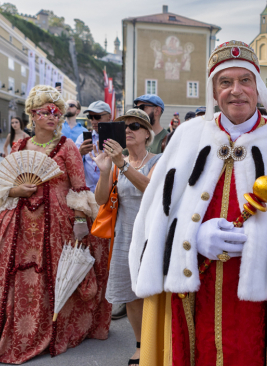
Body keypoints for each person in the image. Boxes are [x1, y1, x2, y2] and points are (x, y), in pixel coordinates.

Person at [129, 41, 267, 365]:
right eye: (225, 82)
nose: (236, 91)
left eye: (245, 80)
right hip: (195, 295)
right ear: (213, 90)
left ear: (258, 87)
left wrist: (262, 243)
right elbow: (155, 220)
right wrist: (193, 237)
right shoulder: (188, 137)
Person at [0, 85, 110, 363]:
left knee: (56, 273)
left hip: (58, 222)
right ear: (33, 114)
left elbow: (79, 187)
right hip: (20, 222)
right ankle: (16, 330)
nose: (52, 117)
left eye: (57, 112)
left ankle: (50, 329)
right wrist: (16, 191)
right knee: (15, 275)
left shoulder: (67, 147)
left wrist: (80, 220)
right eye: (46, 112)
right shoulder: (18, 146)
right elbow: (4, 184)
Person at [93, 108, 161, 365]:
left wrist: (121, 164)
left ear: (147, 134)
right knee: (132, 295)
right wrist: (104, 170)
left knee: (152, 292)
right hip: (124, 236)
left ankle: (160, 342)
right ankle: (142, 345)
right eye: (124, 127)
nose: (128, 131)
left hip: (152, 235)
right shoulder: (115, 163)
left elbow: (151, 189)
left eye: (134, 126)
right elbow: (100, 200)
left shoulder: (159, 160)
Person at [75, 101, 112, 193]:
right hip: (88, 193)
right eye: (90, 117)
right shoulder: (82, 138)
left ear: (109, 117)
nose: (93, 121)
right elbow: (71, 164)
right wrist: (79, 153)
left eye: (97, 117)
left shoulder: (118, 137)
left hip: (111, 192)